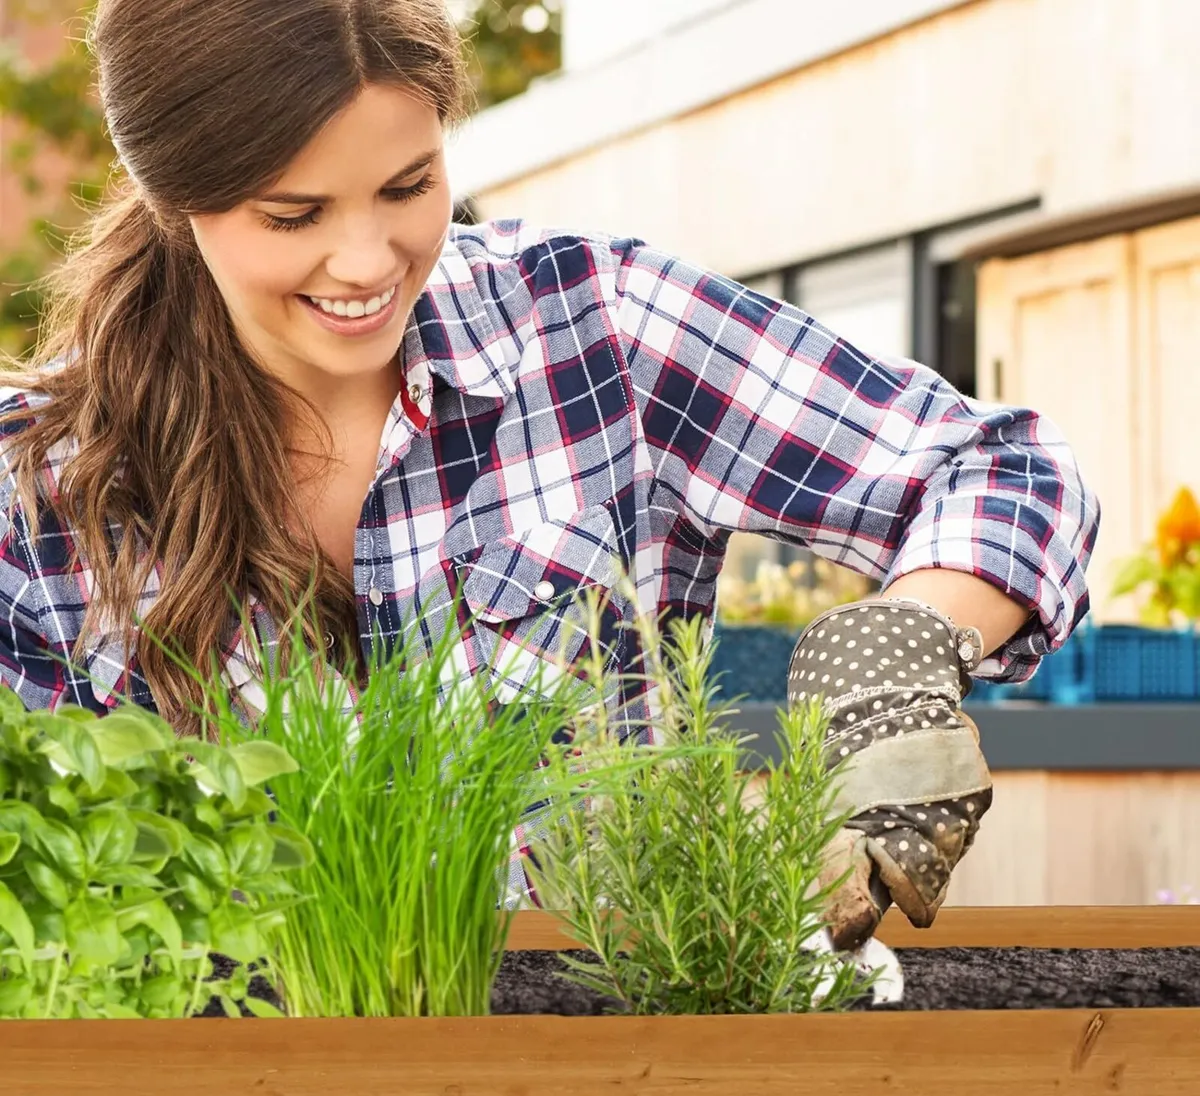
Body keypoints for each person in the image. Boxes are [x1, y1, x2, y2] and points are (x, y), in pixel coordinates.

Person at [0, 0, 1100, 950]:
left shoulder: (594, 330)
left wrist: (896, 647)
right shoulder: (41, 485)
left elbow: (1002, 469)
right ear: (171, 196)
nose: (368, 261)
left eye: (408, 185)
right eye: (295, 216)